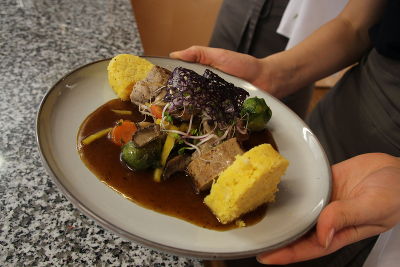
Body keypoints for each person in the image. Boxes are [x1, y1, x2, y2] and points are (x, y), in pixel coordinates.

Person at [170, 0, 400, 265]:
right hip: (361, 92)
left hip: (390, 151)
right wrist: (272, 73)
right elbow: (355, 25)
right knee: (248, 242)